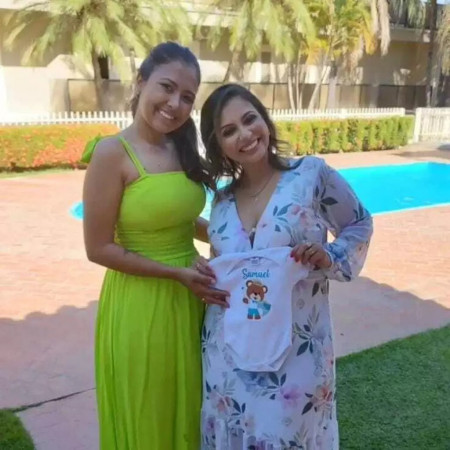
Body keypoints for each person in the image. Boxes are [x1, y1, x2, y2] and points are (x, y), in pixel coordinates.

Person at [196, 84, 373, 449]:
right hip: (227, 356)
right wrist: (206, 277)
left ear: (265, 119)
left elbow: (358, 223)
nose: (245, 134)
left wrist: (329, 255)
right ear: (218, 146)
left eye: (250, 119)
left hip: (297, 355)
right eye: (229, 131)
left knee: (290, 435)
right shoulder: (222, 202)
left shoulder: (310, 175)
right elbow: (227, 266)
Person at [82, 42, 228, 450]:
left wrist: (235, 239)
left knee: (190, 407)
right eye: (166, 87)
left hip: (190, 299)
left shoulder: (181, 147)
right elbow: (98, 248)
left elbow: (181, 221)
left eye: (187, 97)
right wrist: (175, 273)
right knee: (150, 412)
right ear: (141, 82)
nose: (175, 104)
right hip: (141, 305)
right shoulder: (112, 153)